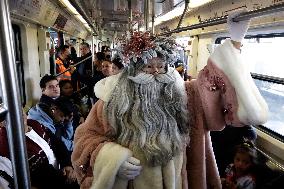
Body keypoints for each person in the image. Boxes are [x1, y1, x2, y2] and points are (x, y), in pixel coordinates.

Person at [71, 9, 268, 189]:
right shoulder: (111, 101)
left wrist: (235, 41)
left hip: (178, 180)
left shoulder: (186, 95)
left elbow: (214, 82)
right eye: (149, 67)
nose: (156, 72)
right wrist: (112, 159)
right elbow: (85, 139)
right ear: (134, 70)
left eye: (162, 66)